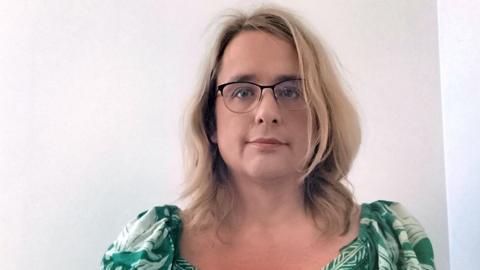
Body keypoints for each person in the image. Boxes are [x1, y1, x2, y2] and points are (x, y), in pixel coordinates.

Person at [100, 6, 435, 270]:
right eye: (243, 92)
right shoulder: (146, 247)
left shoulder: (390, 241)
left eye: (291, 91)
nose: (267, 112)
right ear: (210, 122)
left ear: (321, 118)